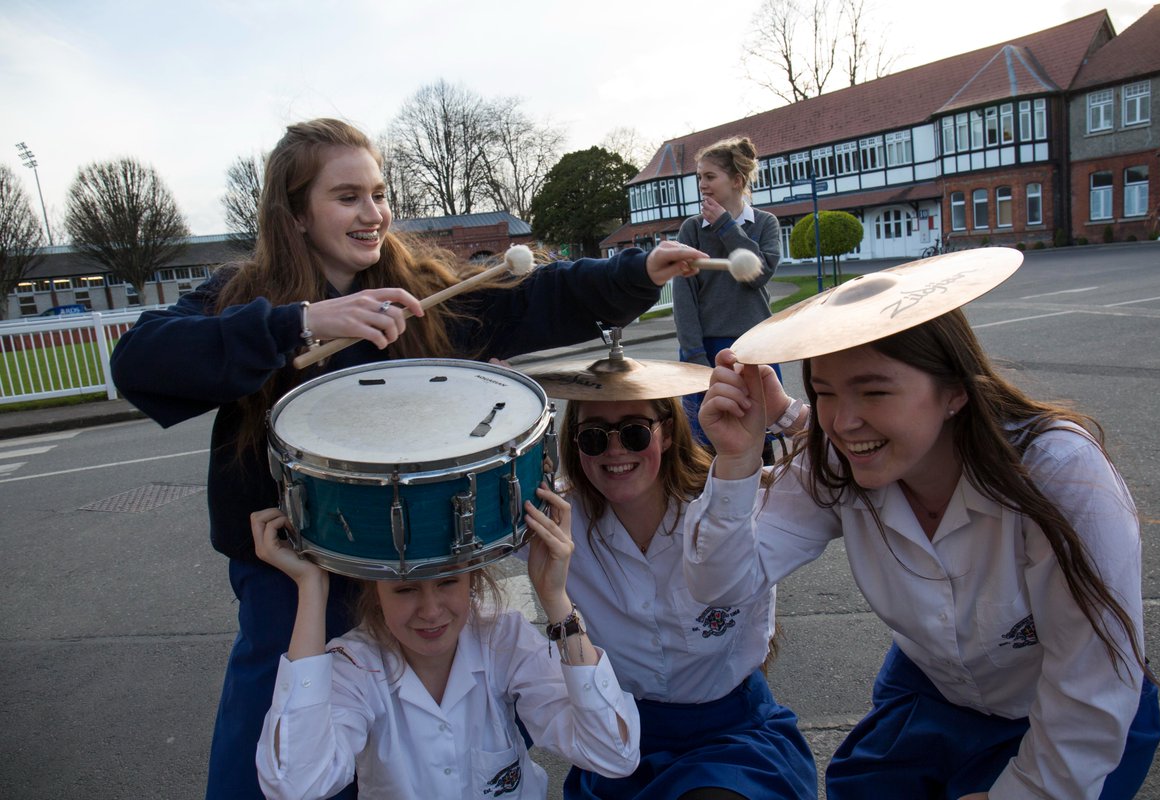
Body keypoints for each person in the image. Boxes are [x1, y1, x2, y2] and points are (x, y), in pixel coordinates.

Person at [107, 117, 707, 800]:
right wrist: (300, 322)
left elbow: (530, 297)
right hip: (297, 574)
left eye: (379, 193)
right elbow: (140, 361)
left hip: (423, 563)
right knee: (275, 760)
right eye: (348, 197)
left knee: (420, 755)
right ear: (296, 213)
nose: (374, 213)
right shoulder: (242, 296)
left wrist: (635, 271)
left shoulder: (418, 289)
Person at [685, 309, 1160, 799]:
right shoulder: (838, 462)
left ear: (955, 390)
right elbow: (720, 586)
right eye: (825, 392)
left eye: (874, 392)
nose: (844, 422)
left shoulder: (1057, 473)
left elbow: (1094, 678)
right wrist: (738, 460)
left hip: (1070, 715)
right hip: (937, 695)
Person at [529, 366, 817, 799]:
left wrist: (785, 412)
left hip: (732, 741)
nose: (613, 450)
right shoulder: (556, 518)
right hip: (621, 740)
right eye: (592, 436)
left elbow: (840, 474)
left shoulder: (733, 500)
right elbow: (443, 535)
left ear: (666, 433)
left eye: (634, 432)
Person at [250, 485, 639, 800]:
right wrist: (312, 588)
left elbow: (613, 752)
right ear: (375, 592)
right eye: (405, 590)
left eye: (449, 581)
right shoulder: (355, 665)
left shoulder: (500, 639)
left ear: (474, 579)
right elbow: (294, 785)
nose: (431, 611)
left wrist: (555, 598)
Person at [671, 136, 782, 460]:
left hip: (753, 344)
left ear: (736, 181)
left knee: (756, 434)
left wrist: (724, 225)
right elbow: (684, 297)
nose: (702, 185)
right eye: (699, 178)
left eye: (709, 176)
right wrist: (693, 355)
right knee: (704, 442)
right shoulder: (691, 229)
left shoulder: (764, 224)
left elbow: (757, 274)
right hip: (704, 346)